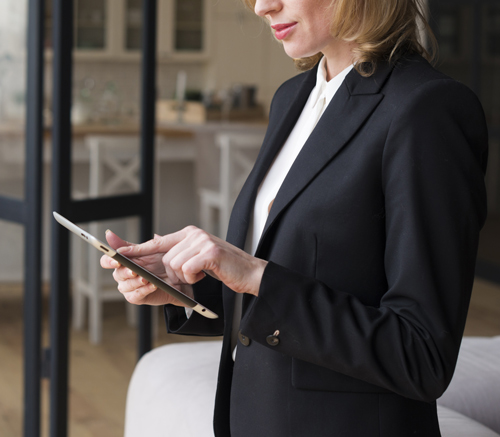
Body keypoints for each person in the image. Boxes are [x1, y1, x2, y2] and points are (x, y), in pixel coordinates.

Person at [101, 0, 489, 435]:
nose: (262, 7)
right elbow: (302, 277)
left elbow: (421, 355)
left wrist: (254, 273)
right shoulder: (294, 96)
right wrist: (188, 287)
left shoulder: (428, 108)